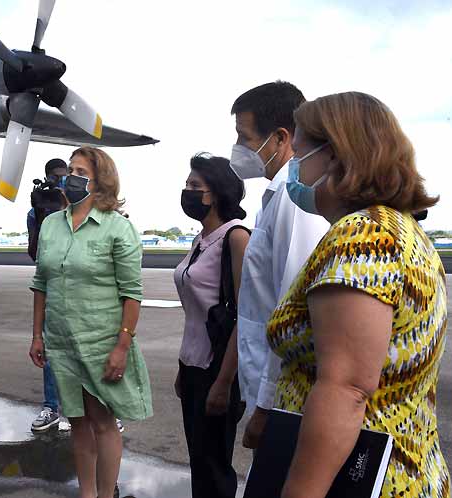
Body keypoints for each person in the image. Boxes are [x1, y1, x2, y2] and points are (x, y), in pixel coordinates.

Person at [269, 92, 451, 498]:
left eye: (299, 155)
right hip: (404, 468)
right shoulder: (401, 230)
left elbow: (346, 388)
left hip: (362, 481)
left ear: (334, 155)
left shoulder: (364, 237)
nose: (293, 169)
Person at [29, 146, 152, 498]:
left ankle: (105, 492)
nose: (71, 177)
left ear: (101, 182)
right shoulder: (51, 225)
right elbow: (41, 284)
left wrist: (122, 346)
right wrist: (37, 335)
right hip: (62, 344)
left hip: (101, 343)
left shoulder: (118, 228)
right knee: (78, 424)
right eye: (70, 170)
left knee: (102, 422)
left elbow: (132, 293)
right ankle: (87, 494)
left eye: (81, 172)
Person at [228, 81, 330, 449]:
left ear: (280, 138)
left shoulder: (294, 200)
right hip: (269, 389)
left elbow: (294, 308)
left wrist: (267, 407)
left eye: (244, 136)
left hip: (284, 400)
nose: (239, 148)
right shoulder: (275, 196)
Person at [174, 153, 250, 498]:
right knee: (199, 460)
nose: (187, 192)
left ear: (216, 193)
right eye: (187, 184)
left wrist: (224, 381)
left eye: (195, 186)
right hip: (193, 366)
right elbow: (195, 313)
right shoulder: (200, 240)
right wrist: (182, 368)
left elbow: (245, 314)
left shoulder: (235, 237)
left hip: (219, 369)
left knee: (215, 465)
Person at [27, 157, 68, 431]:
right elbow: (37, 255)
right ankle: (51, 407)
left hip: (76, 290)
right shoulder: (39, 211)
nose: (65, 181)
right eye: (63, 176)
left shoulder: (91, 211)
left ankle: (101, 408)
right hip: (54, 286)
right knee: (53, 349)